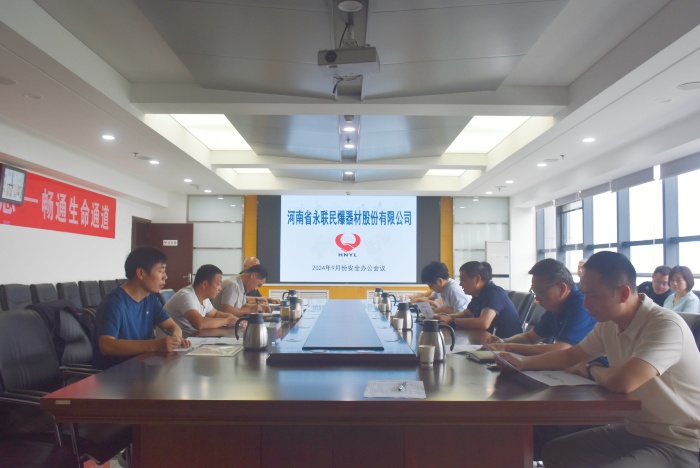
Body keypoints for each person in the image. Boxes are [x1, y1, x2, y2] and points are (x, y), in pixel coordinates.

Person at [498, 251, 700, 467]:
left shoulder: (665, 325)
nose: (585, 304)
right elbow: (570, 356)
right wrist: (522, 363)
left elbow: (622, 382)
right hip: (634, 429)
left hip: (677, 442)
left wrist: (591, 368)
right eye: (584, 294)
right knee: (556, 452)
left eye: (593, 295)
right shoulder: (610, 324)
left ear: (623, 293)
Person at [92, 246, 190, 369]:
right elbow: (106, 345)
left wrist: (176, 338)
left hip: (142, 366)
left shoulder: (150, 299)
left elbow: (172, 326)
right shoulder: (114, 303)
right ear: (140, 273)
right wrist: (155, 345)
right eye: (161, 271)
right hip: (116, 372)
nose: (165, 276)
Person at [484, 258, 595, 355]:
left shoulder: (580, 306)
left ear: (562, 289)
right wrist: (504, 342)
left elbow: (561, 349)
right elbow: (530, 338)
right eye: (535, 292)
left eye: (540, 292)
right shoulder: (555, 308)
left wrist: (508, 347)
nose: (537, 299)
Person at [436, 261, 521, 339]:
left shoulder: (493, 293)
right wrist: (445, 317)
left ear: (477, 279)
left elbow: (483, 323)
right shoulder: (478, 294)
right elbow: (466, 314)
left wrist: (452, 321)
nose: (460, 284)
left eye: (463, 280)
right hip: (492, 340)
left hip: (509, 344)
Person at [164, 264, 238, 337]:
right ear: (205, 284)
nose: (220, 288)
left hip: (191, 338)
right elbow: (200, 323)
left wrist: (231, 317)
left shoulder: (204, 297)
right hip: (175, 341)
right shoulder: (186, 296)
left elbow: (215, 314)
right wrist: (227, 321)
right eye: (218, 284)